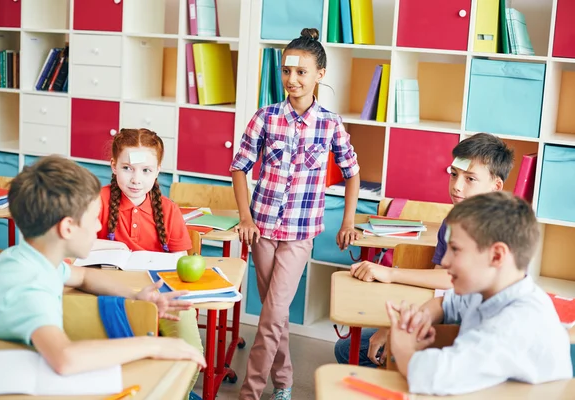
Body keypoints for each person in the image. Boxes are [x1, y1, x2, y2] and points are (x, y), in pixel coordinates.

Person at [0, 155, 206, 375]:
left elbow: (84, 277)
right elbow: (65, 359)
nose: (98, 227)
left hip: (19, 366)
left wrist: (135, 296)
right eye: (94, 218)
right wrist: (153, 345)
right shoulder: (30, 286)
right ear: (67, 228)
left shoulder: (28, 258)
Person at [230, 28, 361, 400]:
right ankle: (284, 381)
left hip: (301, 233)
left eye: (302, 72)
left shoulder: (330, 123)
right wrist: (245, 218)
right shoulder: (265, 118)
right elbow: (239, 168)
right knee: (276, 313)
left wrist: (348, 221)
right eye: (287, 71)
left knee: (271, 314)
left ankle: (250, 392)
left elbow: (352, 173)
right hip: (262, 229)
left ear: (320, 74)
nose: (292, 80)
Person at [335, 132, 515, 367]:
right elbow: (439, 283)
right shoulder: (452, 220)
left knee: (361, 354)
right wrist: (394, 327)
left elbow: (450, 280)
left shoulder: (495, 229)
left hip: (474, 336)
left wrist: (390, 275)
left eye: (470, 179)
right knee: (347, 350)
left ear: (496, 185)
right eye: (454, 175)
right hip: (444, 315)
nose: (457, 186)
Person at [386, 191, 572, 395]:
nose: (445, 261)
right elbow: (445, 304)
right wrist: (421, 319)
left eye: (455, 249)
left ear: (496, 255)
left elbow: (430, 375)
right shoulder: (492, 290)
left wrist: (402, 346)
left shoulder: (515, 323)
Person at [94, 128, 204, 399]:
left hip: (160, 295)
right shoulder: (96, 200)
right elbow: (74, 246)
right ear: (113, 166)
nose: (135, 179)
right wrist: (115, 245)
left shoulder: (168, 210)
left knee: (191, 354)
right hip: (107, 293)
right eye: (128, 168)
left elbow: (180, 264)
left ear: (157, 171)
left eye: (145, 170)